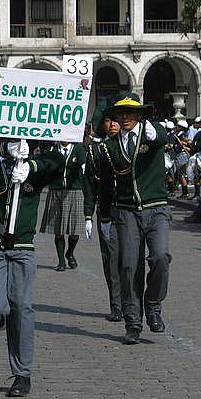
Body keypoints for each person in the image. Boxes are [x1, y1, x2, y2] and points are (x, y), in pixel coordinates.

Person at [0, 137, 63, 397]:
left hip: (22, 241)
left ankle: (22, 373)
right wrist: (2, 149)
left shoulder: (35, 156)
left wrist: (33, 167)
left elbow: (58, 164)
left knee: (21, 306)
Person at [98, 95, 171, 345]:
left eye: (131, 113)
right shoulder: (109, 147)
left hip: (156, 207)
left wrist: (148, 124)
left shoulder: (151, 134)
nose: (125, 117)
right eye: (122, 113)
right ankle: (133, 322)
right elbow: (107, 184)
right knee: (129, 266)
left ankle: (153, 306)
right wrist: (104, 217)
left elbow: (161, 138)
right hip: (126, 210)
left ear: (140, 115)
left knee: (160, 257)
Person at [39, 139, 94, 271]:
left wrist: (82, 164)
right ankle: (61, 261)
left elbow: (83, 161)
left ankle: (69, 252)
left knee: (75, 230)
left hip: (74, 190)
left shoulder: (78, 149)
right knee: (58, 229)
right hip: (56, 190)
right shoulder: (52, 149)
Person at [93, 115, 123, 322]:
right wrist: (91, 214)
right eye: (107, 120)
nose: (112, 124)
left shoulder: (133, 146)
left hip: (130, 209)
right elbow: (93, 183)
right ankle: (117, 305)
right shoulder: (96, 150)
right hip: (108, 209)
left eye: (116, 120)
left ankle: (131, 304)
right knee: (111, 260)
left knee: (129, 261)